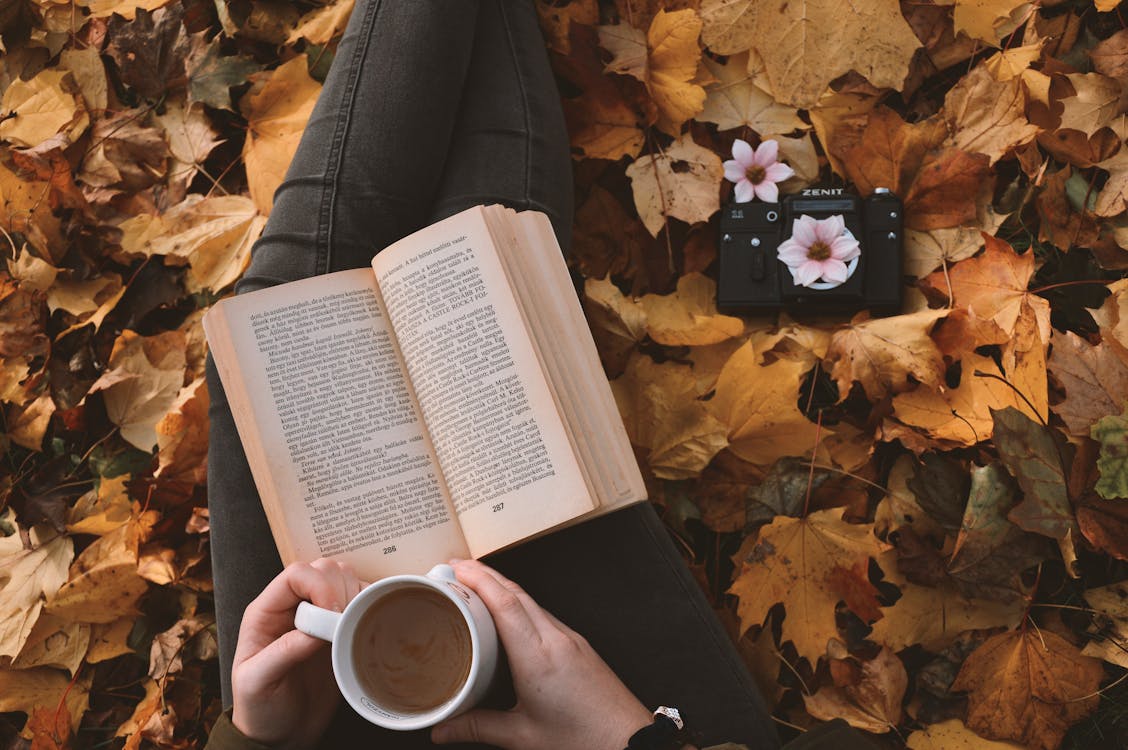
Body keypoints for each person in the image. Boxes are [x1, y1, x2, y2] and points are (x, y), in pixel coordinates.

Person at [204, 2, 875, 749]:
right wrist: (626, 740)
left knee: (280, 323)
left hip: (325, 712)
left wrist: (258, 739)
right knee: (480, 275)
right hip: (630, 716)